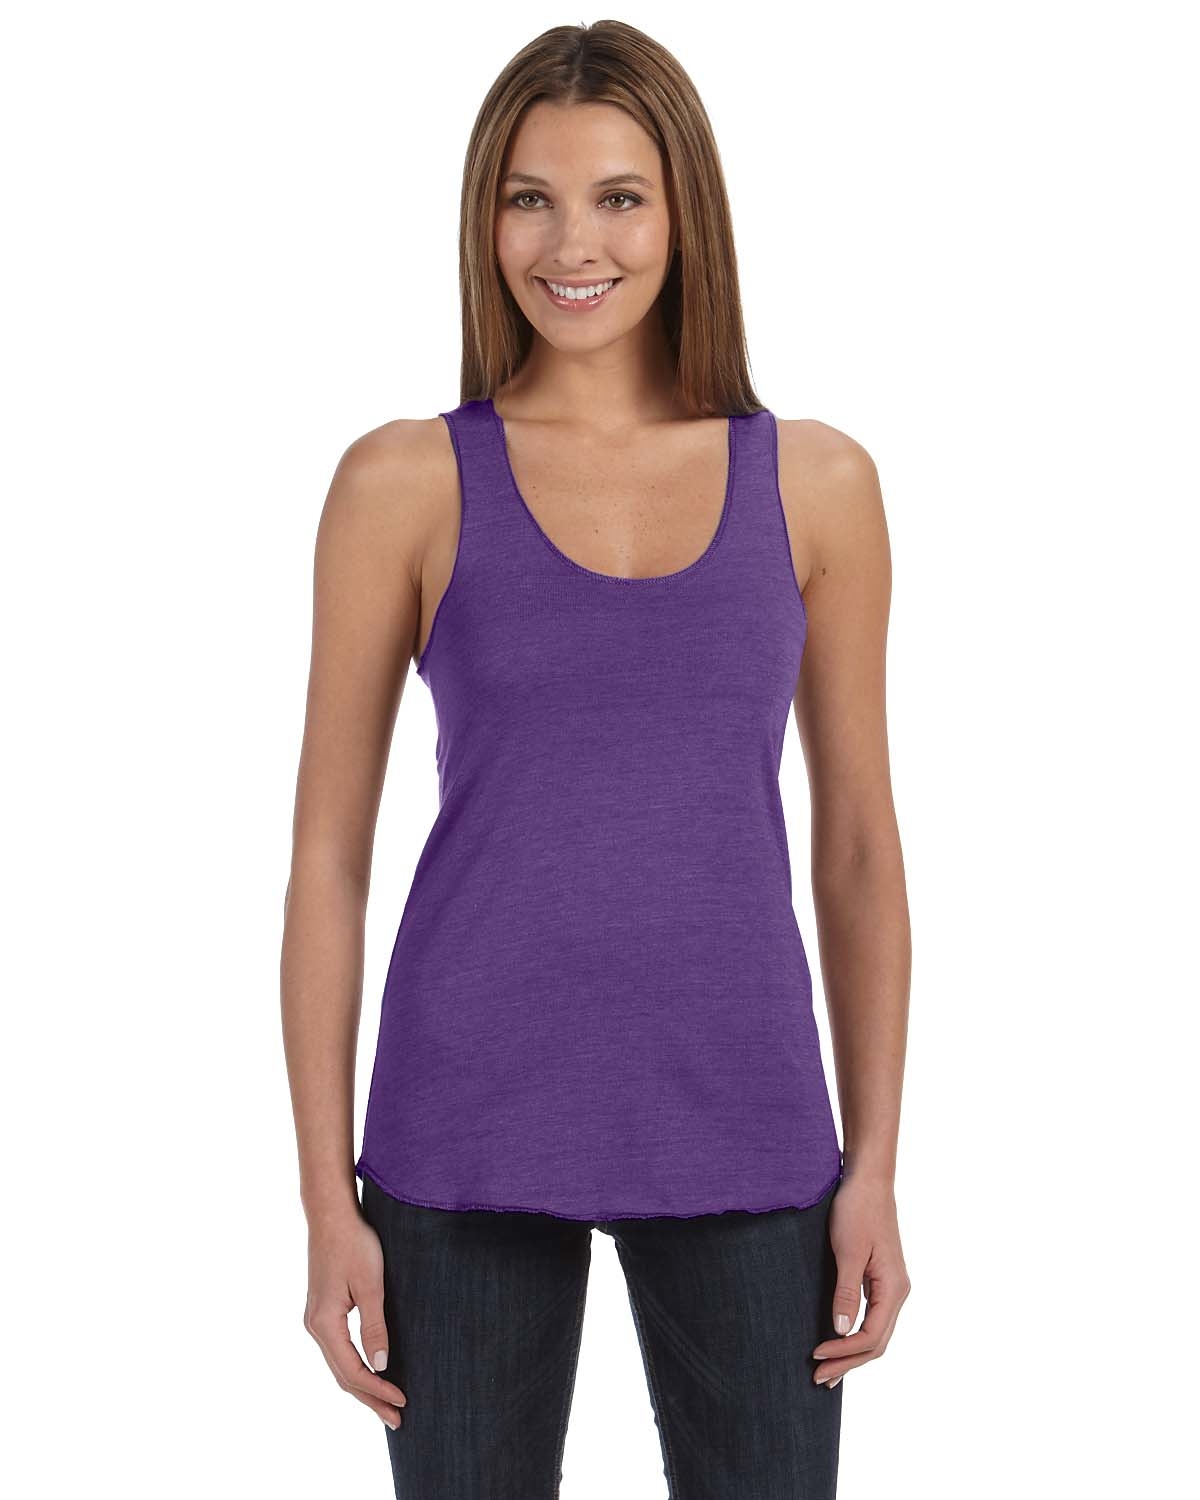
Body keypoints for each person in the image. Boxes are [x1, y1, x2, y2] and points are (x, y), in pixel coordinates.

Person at [281, 19, 911, 1499]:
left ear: (686, 212)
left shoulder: (817, 481)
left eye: (620, 197)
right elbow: (326, 858)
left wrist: (875, 1160)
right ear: (484, 218)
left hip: (747, 1121)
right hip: (460, 1130)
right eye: (530, 198)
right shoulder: (402, 480)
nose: (573, 244)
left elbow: (858, 847)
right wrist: (324, 1200)